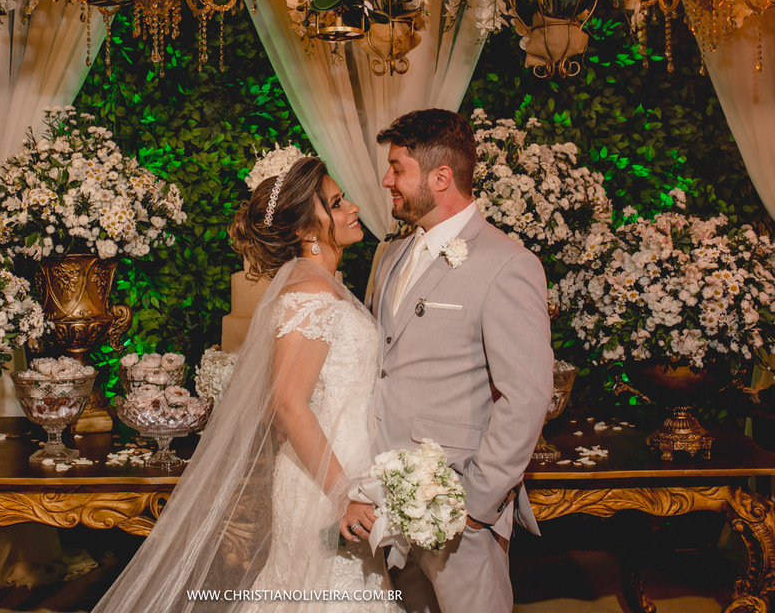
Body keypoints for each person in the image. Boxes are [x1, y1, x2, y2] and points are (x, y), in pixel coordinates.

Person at [92, 155, 401, 612]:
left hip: (342, 467)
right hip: (327, 484)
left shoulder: (324, 284)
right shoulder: (310, 293)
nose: (353, 207)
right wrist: (344, 494)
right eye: (336, 204)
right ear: (304, 231)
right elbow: (288, 405)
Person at [343, 108, 553, 613]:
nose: (386, 180)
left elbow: (526, 395)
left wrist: (477, 504)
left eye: (398, 168)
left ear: (441, 177)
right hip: (384, 495)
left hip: (455, 503)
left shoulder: (508, 264)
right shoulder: (387, 255)